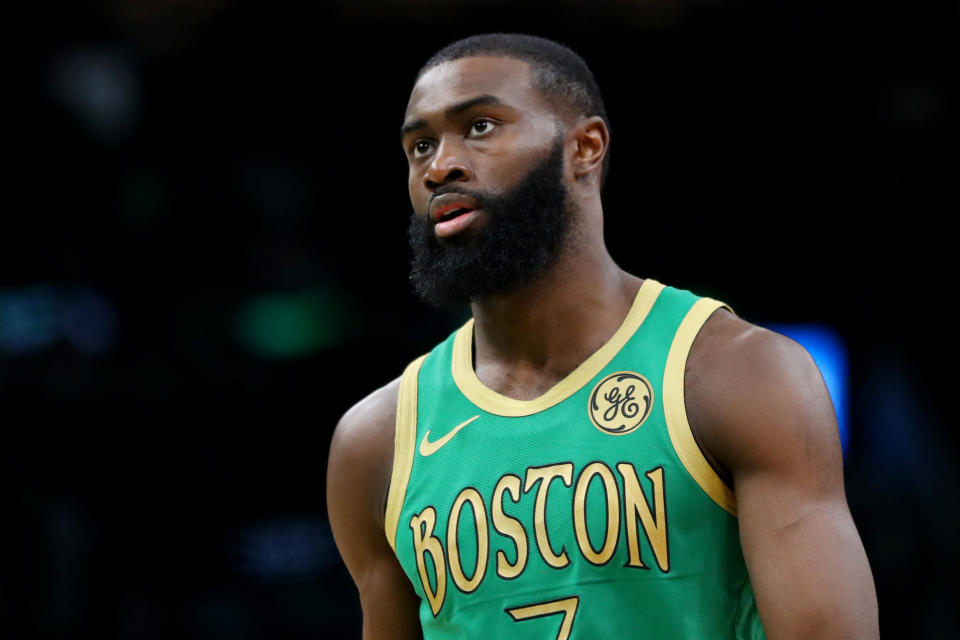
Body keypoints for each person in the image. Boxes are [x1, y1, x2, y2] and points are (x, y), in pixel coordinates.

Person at [327, 33, 879, 639]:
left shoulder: (738, 374)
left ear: (584, 147)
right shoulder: (375, 442)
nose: (440, 167)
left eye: (480, 126)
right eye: (420, 146)